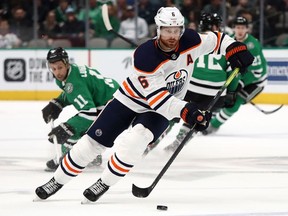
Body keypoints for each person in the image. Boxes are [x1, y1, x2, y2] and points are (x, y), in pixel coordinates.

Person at [35, 7, 254, 202]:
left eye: (176, 30)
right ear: (158, 30)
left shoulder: (191, 40)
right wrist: (187, 110)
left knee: (135, 143)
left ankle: (105, 182)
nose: (172, 36)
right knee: (92, 142)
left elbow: (218, 39)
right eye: (167, 31)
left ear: (182, 29)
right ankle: (57, 180)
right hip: (131, 99)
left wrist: (235, 49)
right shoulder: (145, 56)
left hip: (162, 108)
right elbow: (158, 99)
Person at [147, 13, 240, 153]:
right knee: (196, 119)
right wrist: (232, 92)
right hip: (212, 93)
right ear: (216, 26)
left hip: (190, 88)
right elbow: (233, 72)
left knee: (173, 113)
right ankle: (177, 144)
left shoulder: (192, 40)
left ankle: (153, 142)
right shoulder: (225, 43)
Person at [41, 47, 119, 171]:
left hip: (113, 103)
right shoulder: (70, 74)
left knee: (73, 130)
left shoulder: (74, 82)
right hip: (108, 97)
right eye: (53, 69)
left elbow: (89, 113)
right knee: (80, 127)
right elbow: (72, 92)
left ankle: (66, 159)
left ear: (67, 63)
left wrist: (68, 128)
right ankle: (92, 156)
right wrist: (59, 102)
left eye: (60, 67)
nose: (57, 72)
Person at [202, 16, 267, 135]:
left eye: (243, 27)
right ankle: (212, 116)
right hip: (239, 78)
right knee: (224, 99)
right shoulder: (230, 41)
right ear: (233, 29)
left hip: (255, 82)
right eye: (237, 27)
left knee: (234, 103)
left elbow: (258, 73)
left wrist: (240, 83)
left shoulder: (253, 45)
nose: (240, 30)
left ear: (247, 29)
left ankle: (214, 125)